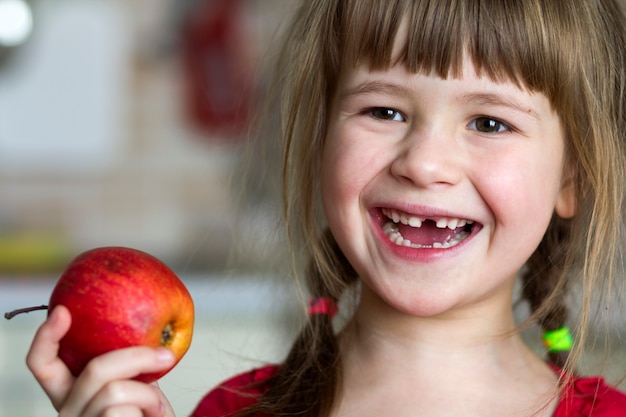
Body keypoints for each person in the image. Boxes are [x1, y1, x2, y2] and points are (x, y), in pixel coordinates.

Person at [26, 0, 626, 416]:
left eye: (490, 122)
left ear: (570, 179)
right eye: (383, 111)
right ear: (322, 142)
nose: (424, 162)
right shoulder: (232, 413)